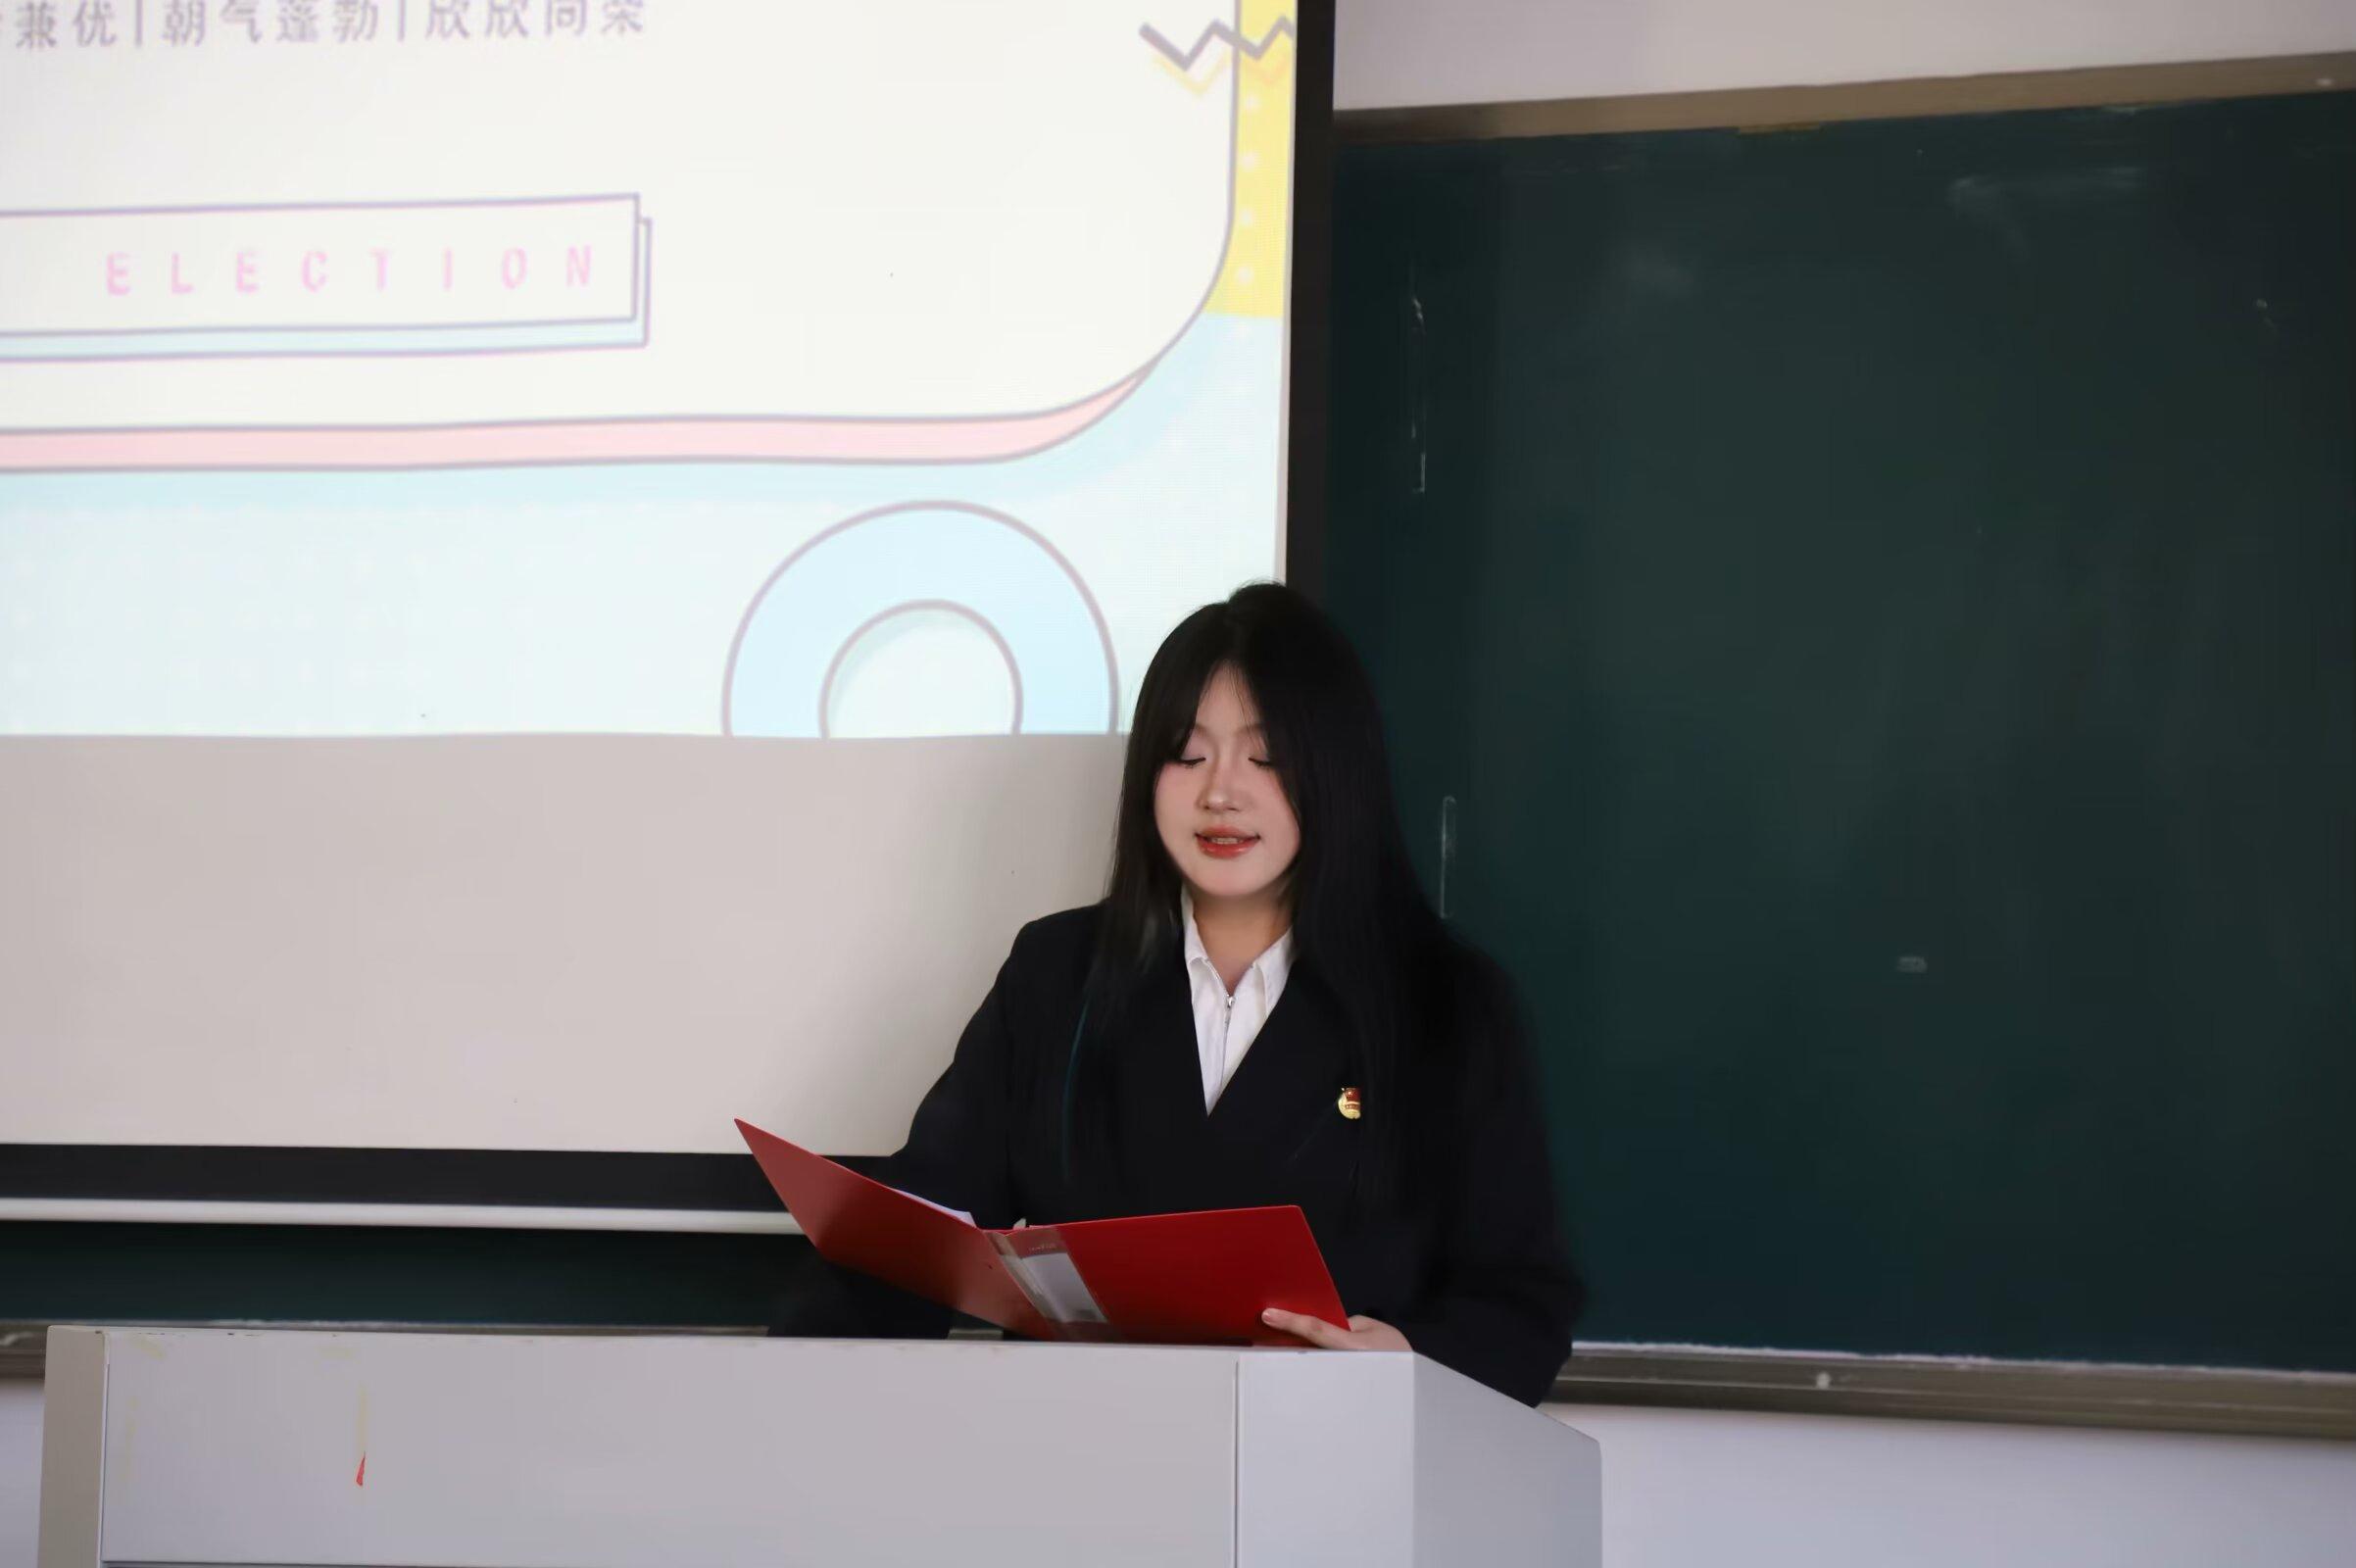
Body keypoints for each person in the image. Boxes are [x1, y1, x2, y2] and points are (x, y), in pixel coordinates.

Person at [773, 582, 1582, 1405]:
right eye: (1187, 756)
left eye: (1267, 757)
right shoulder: (1058, 974)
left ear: (1338, 771)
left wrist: (1405, 1358)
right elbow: (913, 1237)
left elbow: (1521, 1304)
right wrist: (783, 1389)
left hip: (1328, 1452)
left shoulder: (1447, 1003)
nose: (1219, 792)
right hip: (1076, 1448)